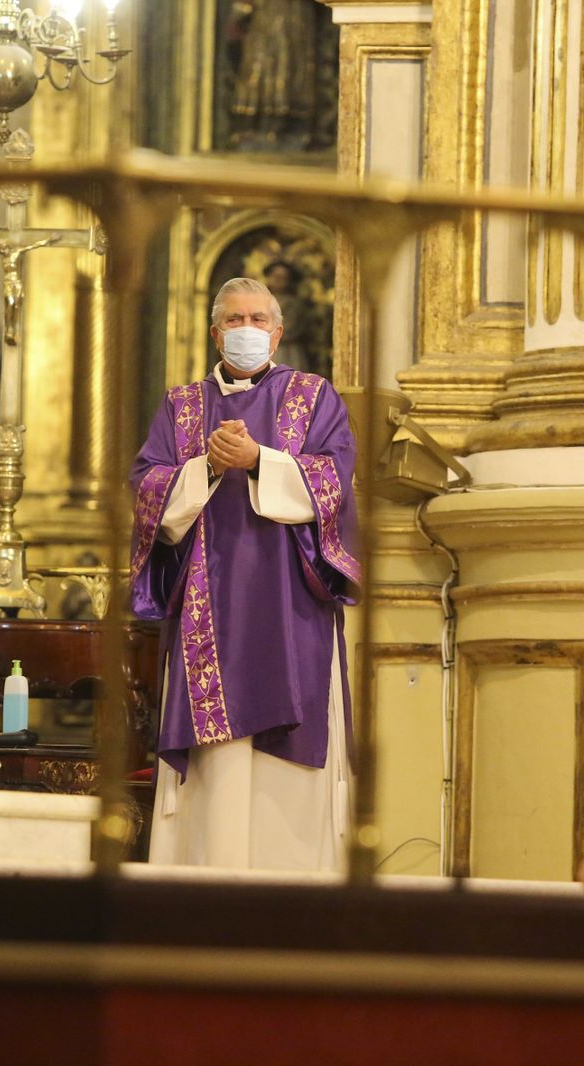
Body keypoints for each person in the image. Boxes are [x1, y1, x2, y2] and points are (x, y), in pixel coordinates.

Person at [129, 277, 361, 871]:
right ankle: (203, 885)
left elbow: (336, 480)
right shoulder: (182, 406)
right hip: (209, 611)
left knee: (285, 757)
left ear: (278, 333)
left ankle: (293, 892)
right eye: (234, 320)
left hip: (290, 608)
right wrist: (206, 465)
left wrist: (260, 461)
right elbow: (147, 487)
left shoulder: (313, 396)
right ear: (215, 332)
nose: (247, 330)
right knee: (220, 767)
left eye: (259, 319)